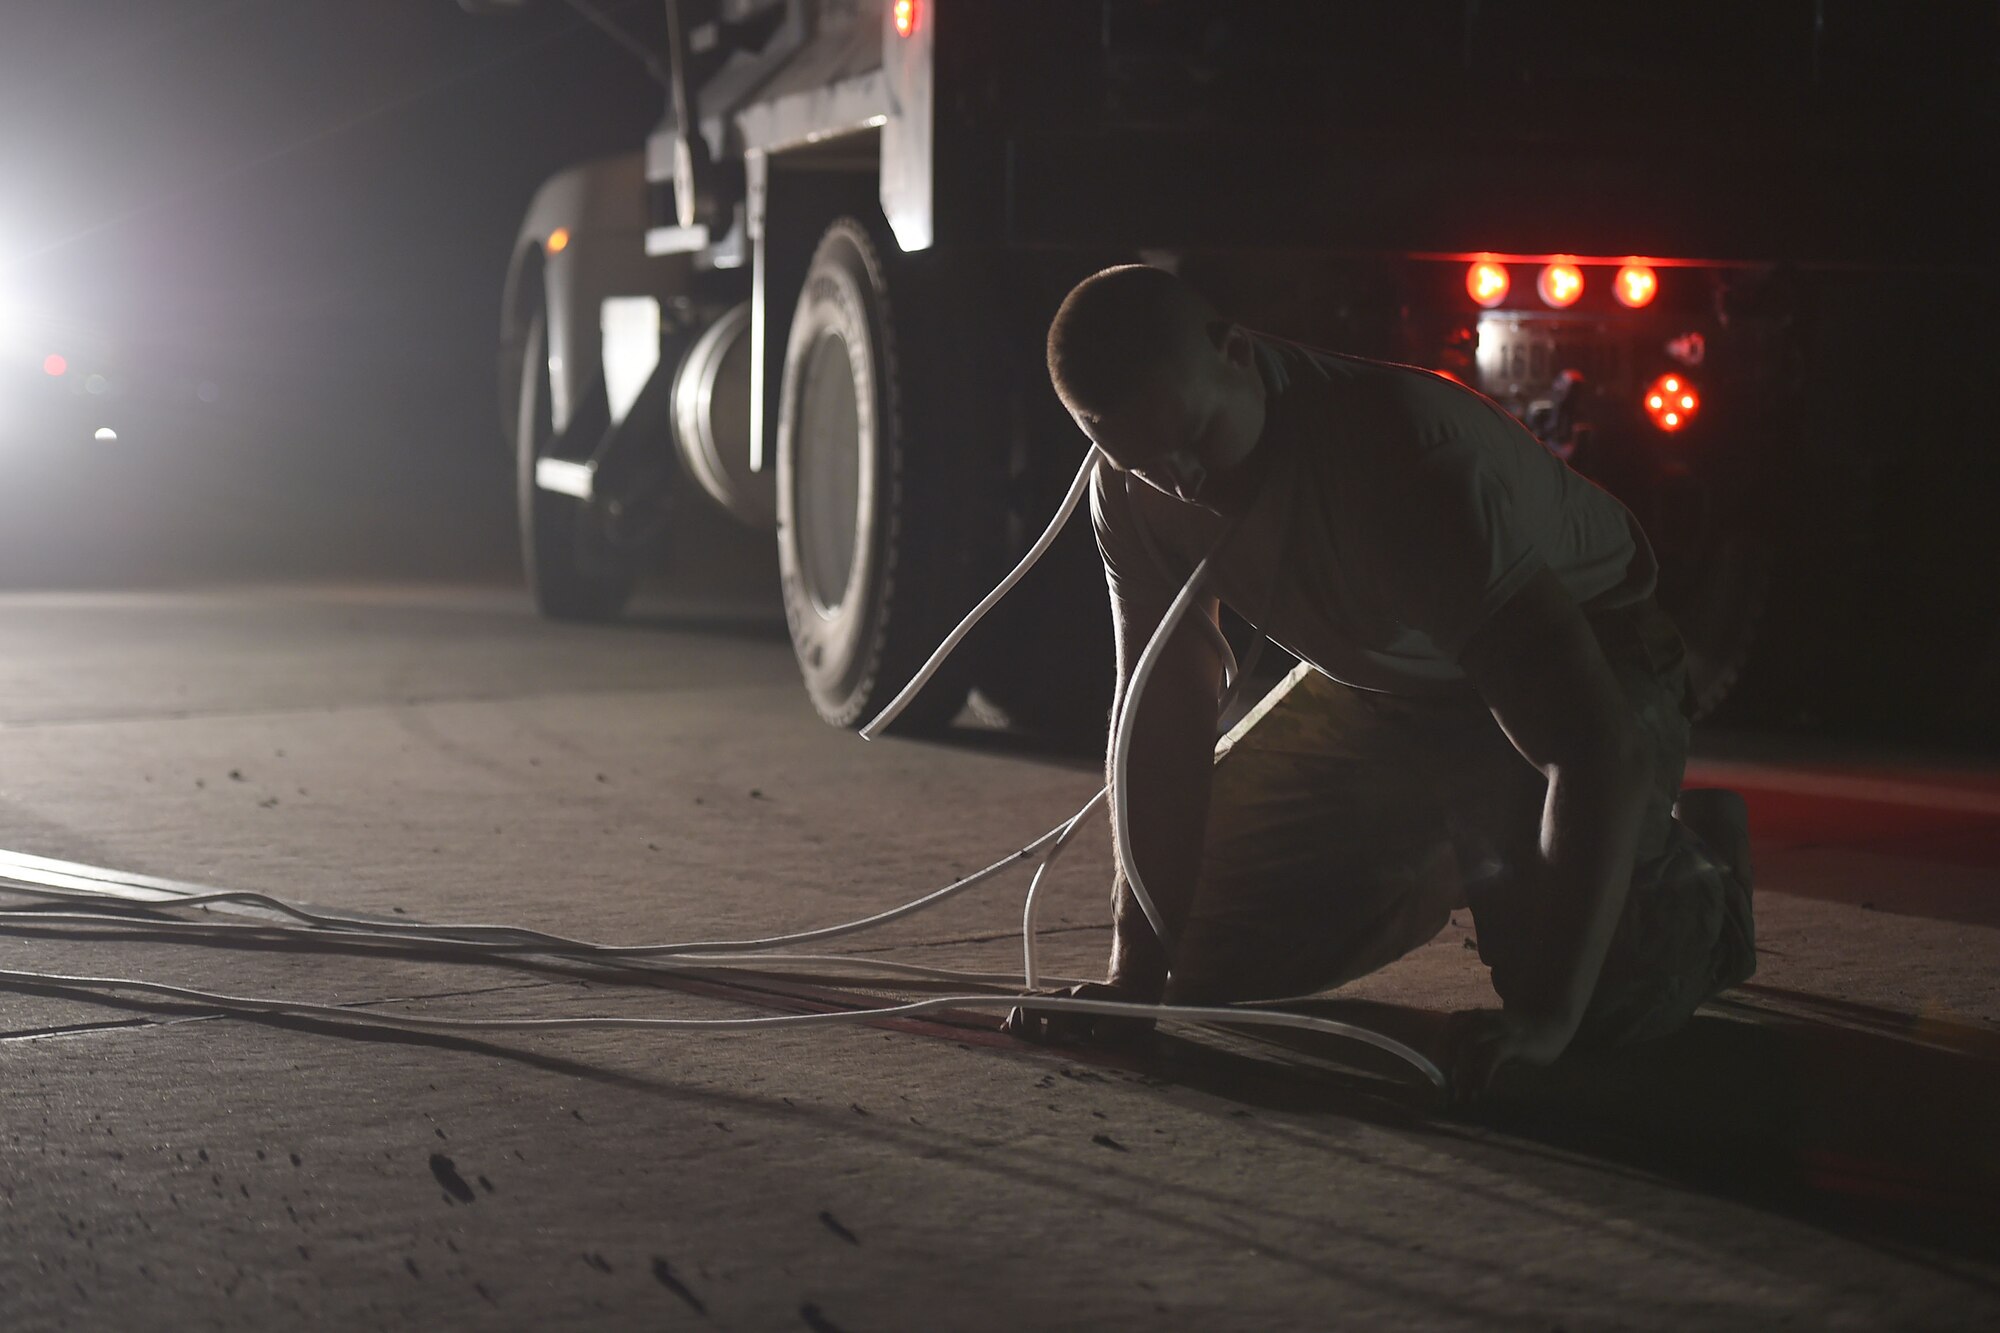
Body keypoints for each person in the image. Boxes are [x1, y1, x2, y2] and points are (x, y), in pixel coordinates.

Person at [1003, 265, 1756, 1097]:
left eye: (1195, 437)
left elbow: (1592, 742)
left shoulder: (1402, 459)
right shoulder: (1131, 490)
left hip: (1589, 652)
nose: (1184, 479)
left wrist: (1546, 1015)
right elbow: (1161, 717)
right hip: (1389, 684)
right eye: (1142, 457)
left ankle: (1707, 880)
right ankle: (1467, 847)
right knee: (1193, 942)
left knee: (1605, 1002)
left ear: (1235, 352)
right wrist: (1133, 977)